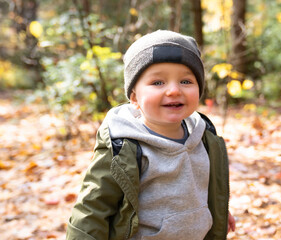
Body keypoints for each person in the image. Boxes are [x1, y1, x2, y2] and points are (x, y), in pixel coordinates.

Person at [66, 30, 235, 240]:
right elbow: (92, 207)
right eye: (158, 83)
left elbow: (202, 187)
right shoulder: (124, 146)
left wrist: (216, 212)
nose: (174, 90)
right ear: (134, 98)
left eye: (186, 81)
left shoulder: (204, 137)